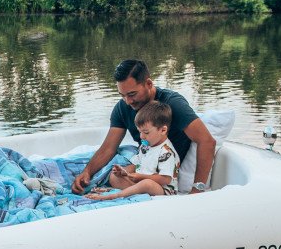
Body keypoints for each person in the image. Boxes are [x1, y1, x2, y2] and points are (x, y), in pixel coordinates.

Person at [70, 58, 215, 195]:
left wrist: (197, 189)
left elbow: (207, 141)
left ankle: (151, 193)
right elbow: (109, 148)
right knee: (114, 176)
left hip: (164, 173)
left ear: (149, 84)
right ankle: (139, 192)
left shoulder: (173, 104)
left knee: (144, 184)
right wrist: (87, 172)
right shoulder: (122, 108)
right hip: (144, 165)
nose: (128, 101)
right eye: (122, 95)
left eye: (132, 94)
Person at [87, 102, 179, 200]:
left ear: (163, 130)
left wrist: (141, 177)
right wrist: (124, 172)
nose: (142, 136)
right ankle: (128, 191)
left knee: (146, 184)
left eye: (146, 132)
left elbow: (165, 179)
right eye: (140, 132)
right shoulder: (145, 145)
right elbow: (137, 165)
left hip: (162, 190)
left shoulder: (167, 152)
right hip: (141, 182)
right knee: (114, 176)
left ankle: (114, 195)